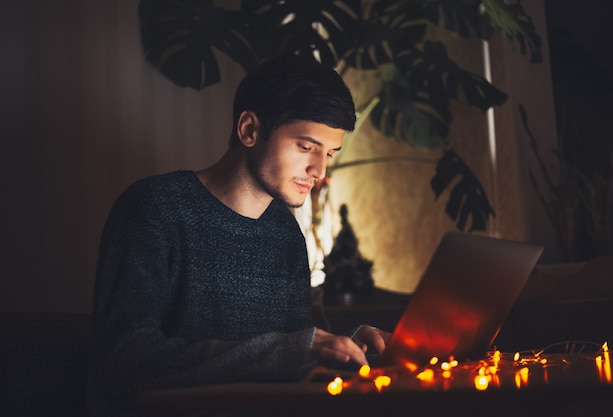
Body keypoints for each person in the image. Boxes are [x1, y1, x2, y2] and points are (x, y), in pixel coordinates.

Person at [86, 52, 391, 417]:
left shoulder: (285, 233)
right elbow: (122, 362)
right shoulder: (155, 208)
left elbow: (287, 362)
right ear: (250, 130)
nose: (319, 170)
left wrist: (348, 349)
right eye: (306, 147)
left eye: (330, 153)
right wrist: (292, 350)